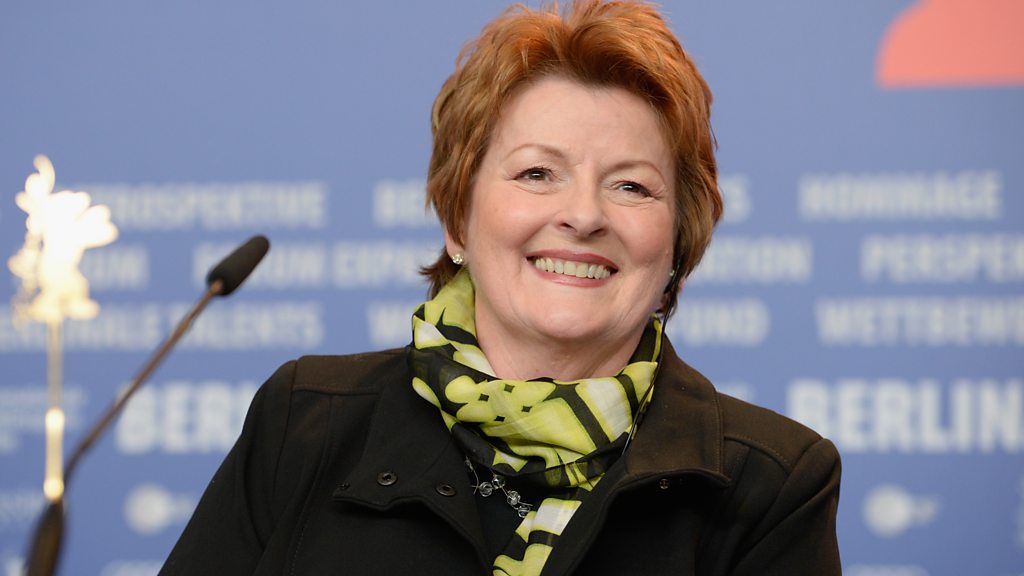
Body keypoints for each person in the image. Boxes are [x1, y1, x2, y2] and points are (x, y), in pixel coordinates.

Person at [161, 1, 842, 574]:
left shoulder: (772, 484)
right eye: (537, 174)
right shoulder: (304, 423)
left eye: (631, 186)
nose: (583, 215)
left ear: (677, 243)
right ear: (458, 217)